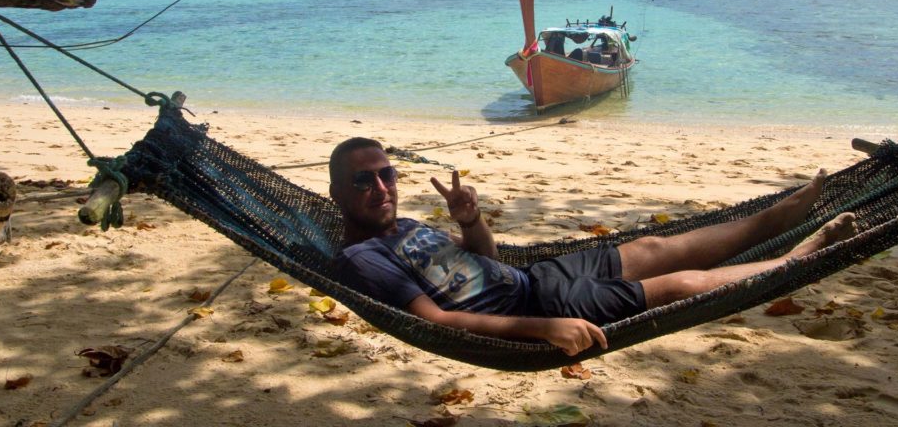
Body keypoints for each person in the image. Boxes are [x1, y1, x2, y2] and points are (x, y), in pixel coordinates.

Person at [328, 137, 856, 356]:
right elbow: (437, 322)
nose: (381, 189)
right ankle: (794, 258)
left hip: (537, 276)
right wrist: (544, 327)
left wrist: (471, 223)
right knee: (675, 287)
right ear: (337, 193)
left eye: (387, 175)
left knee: (651, 245)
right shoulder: (364, 258)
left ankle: (774, 219)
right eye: (363, 182)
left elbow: (486, 264)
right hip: (537, 307)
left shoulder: (406, 225)